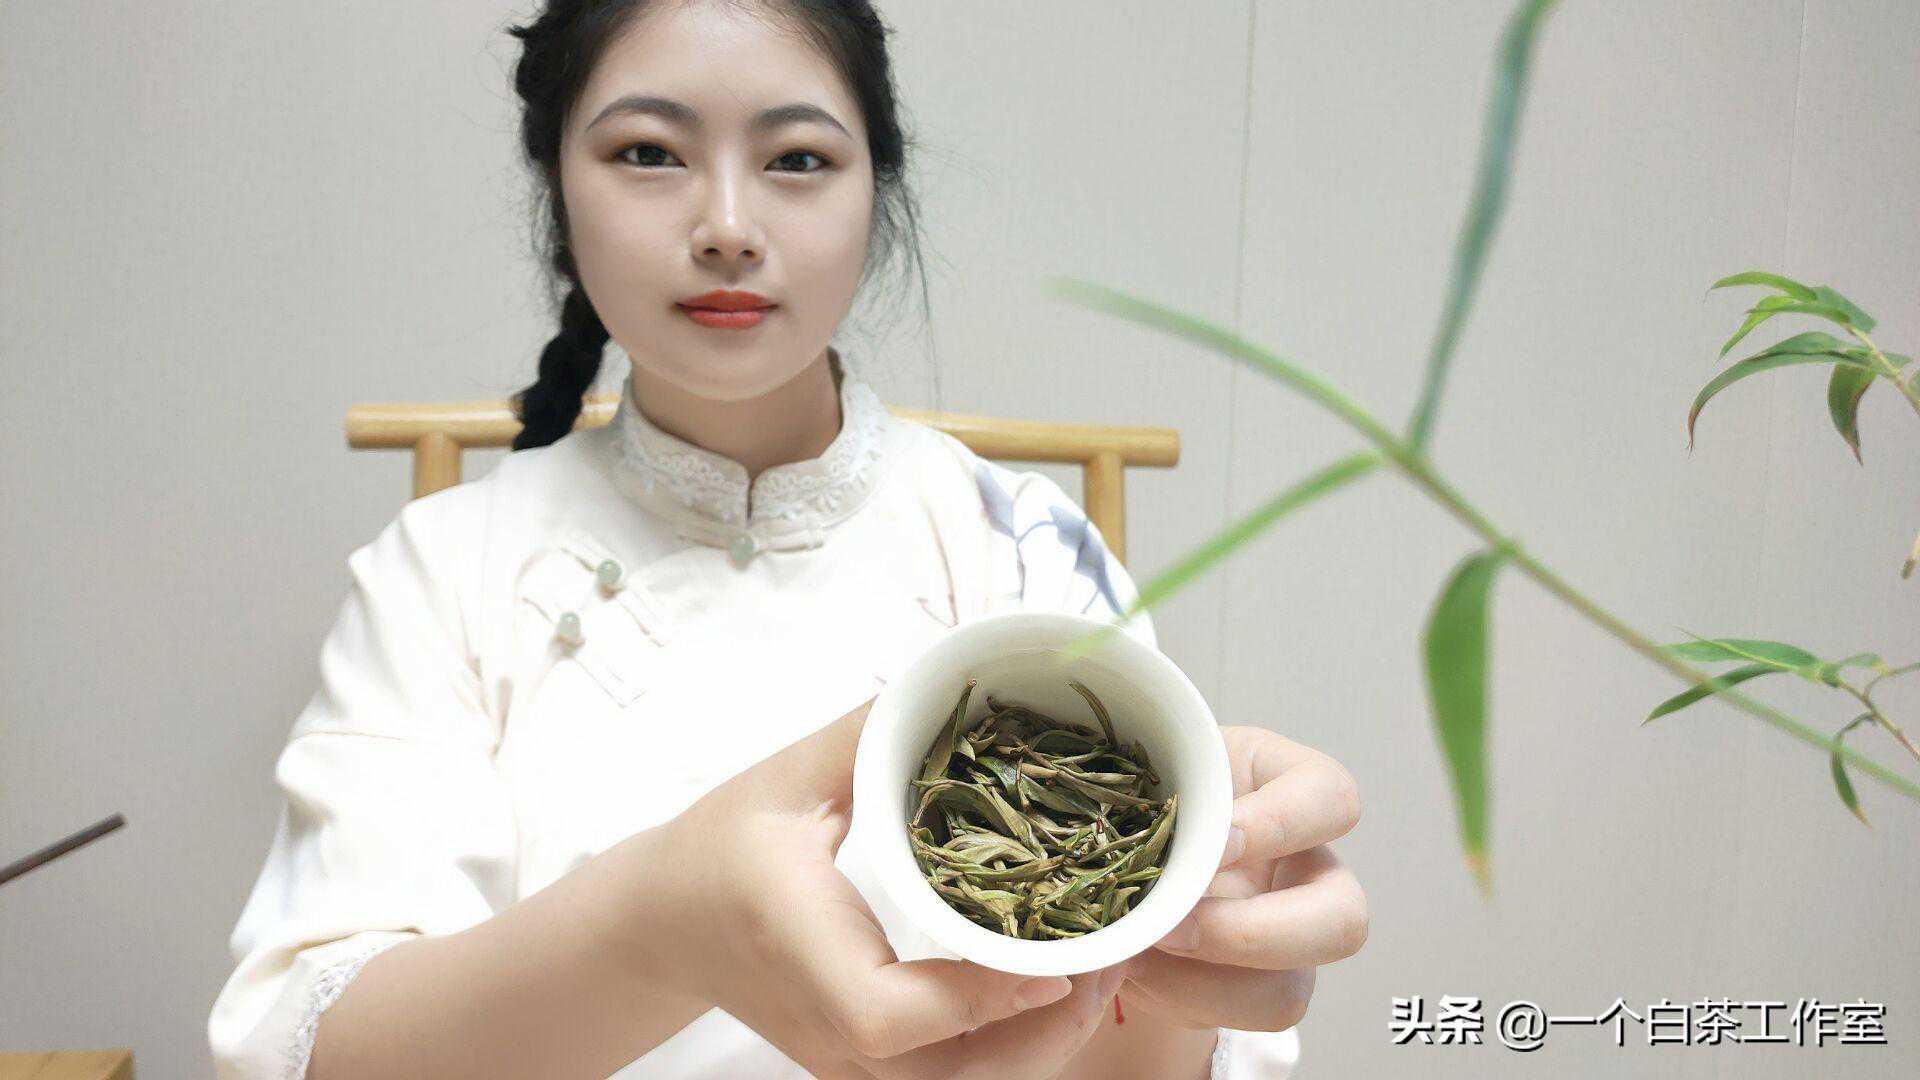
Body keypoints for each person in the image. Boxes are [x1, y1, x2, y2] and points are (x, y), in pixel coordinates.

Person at [206, 1, 1368, 1077]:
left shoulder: (1018, 547)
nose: (726, 227)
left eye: (797, 159)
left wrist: (1191, 928)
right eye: (648, 152)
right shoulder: (442, 569)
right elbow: (303, 1046)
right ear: (558, 182)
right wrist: (661, 922)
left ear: (877, 186)